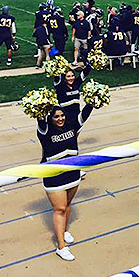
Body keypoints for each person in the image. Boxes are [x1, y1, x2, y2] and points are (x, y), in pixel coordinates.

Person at [37, 104, 94, 261]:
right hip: (54, 175)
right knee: (60, 208)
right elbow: (40, 120)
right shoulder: (45, 130)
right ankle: (61, 246)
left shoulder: (71, 126)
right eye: (56, 116)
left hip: (72, 172)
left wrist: (92, 101)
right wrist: (39, 109)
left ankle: (63, 231)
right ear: (50, 118)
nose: (60, 119)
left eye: (62, 116)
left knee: (67, 204)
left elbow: (84, 115)